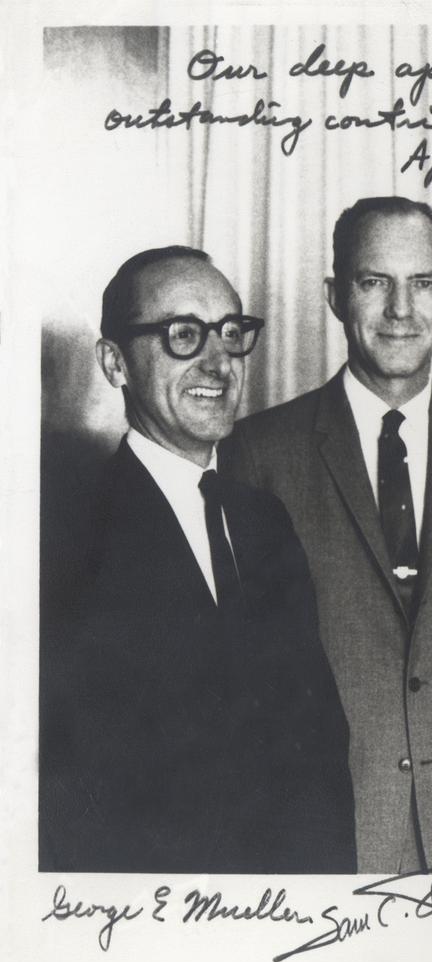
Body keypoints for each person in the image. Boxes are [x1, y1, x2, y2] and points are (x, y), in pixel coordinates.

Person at [224, 197, 432, 875]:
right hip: (329, 844)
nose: (401, 309)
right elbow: (242, 695)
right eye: (376, 282)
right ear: (336, 297)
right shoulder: (259, 453)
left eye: (424, 284)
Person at [40, 246, 355, 873]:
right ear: (114, 363)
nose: (218, 362)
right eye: (183, 335)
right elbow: (70, 793)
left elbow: (318, 745)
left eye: (231, 334)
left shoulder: (266, 521)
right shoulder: (68, 541)